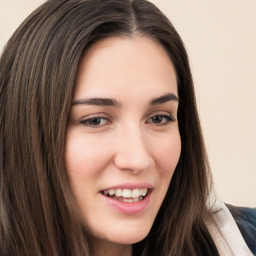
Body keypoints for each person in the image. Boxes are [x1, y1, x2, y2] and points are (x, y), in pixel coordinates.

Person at [0, 0, 255, 255]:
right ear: (25, 133)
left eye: (158, 118)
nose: (138, 159)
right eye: (95, 120)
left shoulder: (242, 241)